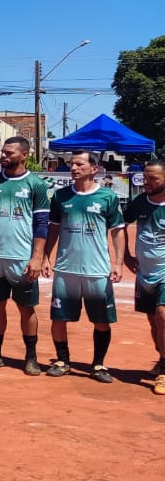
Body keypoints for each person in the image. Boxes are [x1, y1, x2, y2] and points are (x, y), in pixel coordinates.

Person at [42, 150, 126, 383]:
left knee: (101, 320)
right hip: (66, 268)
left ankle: (98, 364)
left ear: (94, 169)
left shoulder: (107, 197)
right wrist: (46, 256)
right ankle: (63, 360)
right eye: (72, 164)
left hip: (96, 269)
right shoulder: (61, 196)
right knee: (59, 318)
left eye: (79, 164)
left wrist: (117, 262)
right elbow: (54, 228)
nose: (74, 168)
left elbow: (118, 231)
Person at [0, 136, 51, 375]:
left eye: (9, 153)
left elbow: (41, 224)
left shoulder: (35, 185)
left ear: (24, 155)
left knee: (26, 308)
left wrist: (37, 257)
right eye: (2, 152)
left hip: (21, 258)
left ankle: (31, 357)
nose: (3, 156)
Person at [123, 159, 165, 395]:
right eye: (144, 178)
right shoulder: (139, 202)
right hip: (144, 272)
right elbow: (119, 226)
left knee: (163, 315)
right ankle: (162, 356)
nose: (146, 183)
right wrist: (127, 256)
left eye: (153, 179)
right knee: (153, 321)